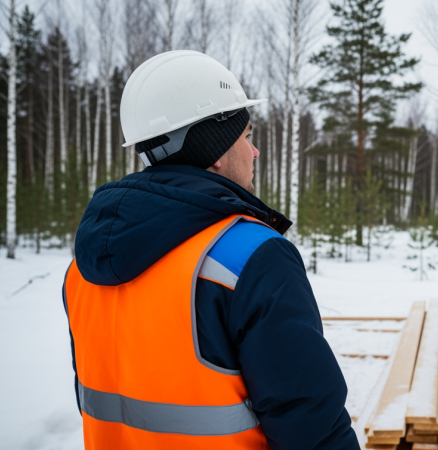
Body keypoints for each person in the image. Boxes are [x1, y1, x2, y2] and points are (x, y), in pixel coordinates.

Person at [62, 51, 359, 450]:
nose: (254, 151)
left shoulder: (82, 268)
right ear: (216, 150)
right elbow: (310, 423)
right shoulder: (252, 255)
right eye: (247, 135)